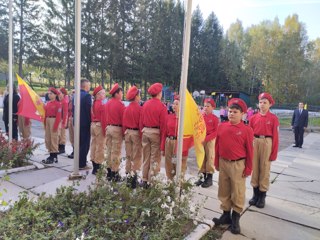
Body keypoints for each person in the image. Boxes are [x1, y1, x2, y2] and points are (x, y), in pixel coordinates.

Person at [213, 98, 253, 235]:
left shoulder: (246, 130)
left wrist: (248, 168)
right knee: (223, 189)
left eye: (235, 112)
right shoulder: (222, 126)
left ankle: (235, 219)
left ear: (242, 114)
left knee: (237, 191)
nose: (231, 114)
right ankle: (225, 214)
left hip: (238, 164)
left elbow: (250, 151)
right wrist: (216, 162)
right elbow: (217, 145)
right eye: (230, 111)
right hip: (223, 162)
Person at [248, 93, 279, 209]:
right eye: (260, 102)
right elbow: (249, 134)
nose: (262, 105)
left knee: (265, 169)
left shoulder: (273, 119)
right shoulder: (253, 117)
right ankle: (255, 194)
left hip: (267, 142)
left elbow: (275, 137)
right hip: (255, 141)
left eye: (265, 102)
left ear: (270, 104)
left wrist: (274, 153)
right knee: (254, 168)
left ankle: (262, 196)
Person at [140, 83, 167, 188]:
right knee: (154, 158)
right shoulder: (162, 106)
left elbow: (141, 120)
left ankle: (144, 179)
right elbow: (163, 125)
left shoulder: (145, 104)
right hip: (155, 133)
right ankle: (152, 181)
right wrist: (163, 142)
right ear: (159, 93)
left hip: (145, 131)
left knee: (146, 157)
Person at [161, 95, 189, 181]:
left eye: (176, 104)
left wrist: (185, 151)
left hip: (179, 143)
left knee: (180, 164)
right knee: (169, 164)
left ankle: (179, 184)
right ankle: (170, 181)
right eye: (173, 104)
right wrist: (162, 148)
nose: (174, 106)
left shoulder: (185, 119)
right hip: (169, 142)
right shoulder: (169, 117)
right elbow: (164, 133)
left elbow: (188, 136)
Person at [103, 83, 125, 181]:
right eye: (121, 92)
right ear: (116, 94)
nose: (122, 94)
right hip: (117, 129)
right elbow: (123, 119)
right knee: (116, 152)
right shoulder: (120, 104)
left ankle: (108, 172)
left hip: (108, 128)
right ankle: (115, 173)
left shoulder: (107, 103)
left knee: (109, 151)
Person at [194, 98, 219, 188]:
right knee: (201, 157)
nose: (206, 108)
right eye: (204, 106)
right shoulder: (200, 117)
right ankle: (201, 176)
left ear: (213, 108)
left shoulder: (215, 119)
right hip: (201, 139)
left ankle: (209, 177)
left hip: (210, 139)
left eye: (208, 106)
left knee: (210, 158)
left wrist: (207, 138)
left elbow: (216, 132)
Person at [123, 86, 142, 188]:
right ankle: (134, 180)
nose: (140, 98)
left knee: (129, 156)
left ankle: (128, 177)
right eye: (139, 95)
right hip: (136, 134)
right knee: (137, 157)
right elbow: (141, 124)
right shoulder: (139, 109)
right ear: (136, 96)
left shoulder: (127, 108)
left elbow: (124, 122)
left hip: (127, 133)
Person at [90, 86, 107, 175]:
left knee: (94, 144)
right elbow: (103, 119)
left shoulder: (94, 103)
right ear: (98, 95)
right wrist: (105, 131)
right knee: (100, 146)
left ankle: (93, 163)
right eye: (103, 93)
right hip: (99, 125)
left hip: (93, 125)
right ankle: (98, 167)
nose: (105, 95)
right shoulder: (101, 104)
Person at [42, 87, 61, 164]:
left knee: (54, 138)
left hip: (54, 120)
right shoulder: (48, 103)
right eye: (48, 93)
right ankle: (51, 155)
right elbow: (45, 113)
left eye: (51, 93)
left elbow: (59, 116)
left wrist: (56, 126)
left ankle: (54, 156)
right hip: (48, 120)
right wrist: (45, 123)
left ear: (55, 95)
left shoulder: (58, 104)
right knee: (48, 138)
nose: (49, 95)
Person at [77, 79, 92, 170]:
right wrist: (91, 122)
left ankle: (79, 161)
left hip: (77, 122)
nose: (89, 87)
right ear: (85, 86)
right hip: (85, 123)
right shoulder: (87, 96)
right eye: (89, 85)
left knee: (78, 143)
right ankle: (82, 164)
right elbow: (88, 111)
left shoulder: (76, 95)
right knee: (84, 144)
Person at [58, 88, 69, 154]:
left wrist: (64, 122)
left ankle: (62, 149)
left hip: (62, 120)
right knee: (59, 134)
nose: (58, 94)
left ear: (63, 94)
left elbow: (65, 112)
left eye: (60, 93)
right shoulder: (60, 101)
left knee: (62, 134)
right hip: (59, 119)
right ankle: (59, 147)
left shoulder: (64, 101)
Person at [67, 91, 75, 158]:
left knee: (76, 137)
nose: (72, 96)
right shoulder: (70, 102)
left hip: (75, 119)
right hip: (71, 118)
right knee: (71, 137)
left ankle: (76, 152)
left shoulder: (77, 102)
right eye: (71, 94)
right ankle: (73, 150)